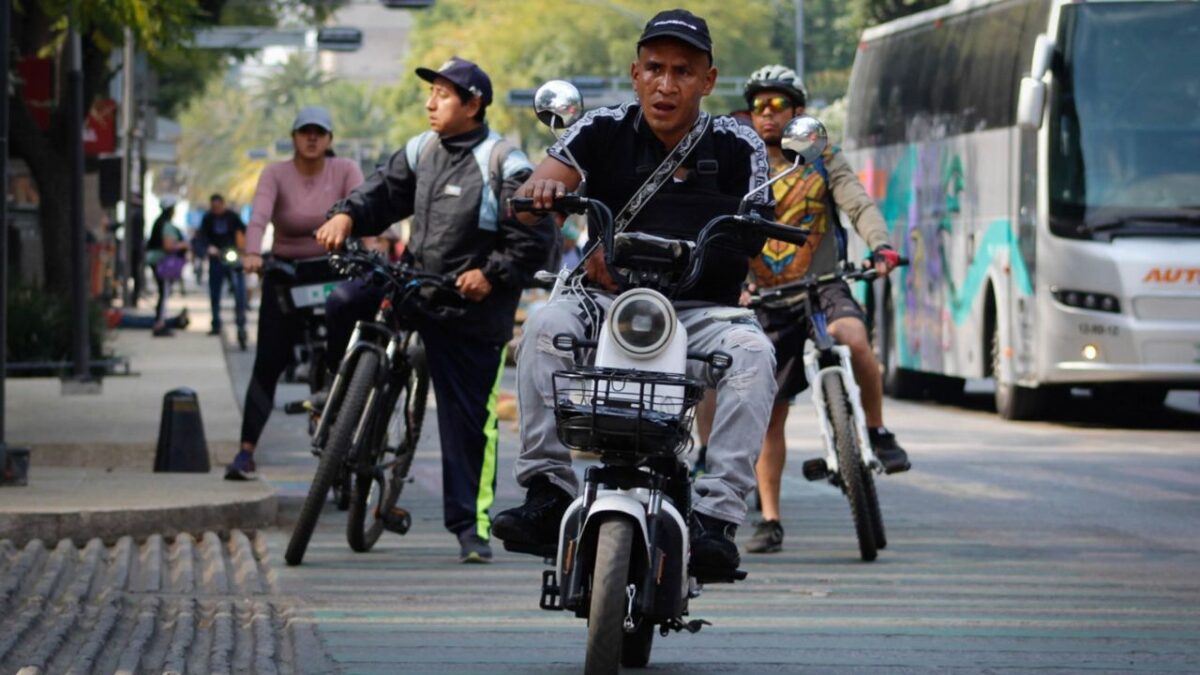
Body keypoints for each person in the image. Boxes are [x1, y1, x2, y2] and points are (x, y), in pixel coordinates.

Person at [491, 9, 776, 579]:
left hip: (702, 312)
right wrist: (542, 189)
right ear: (635, 73)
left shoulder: (740, 143)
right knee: (544, 330)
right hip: (609, 304)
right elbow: (529, 192)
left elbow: (757, 235)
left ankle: (717, 520)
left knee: (755, 355)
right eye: (655, 68)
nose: (667, 84)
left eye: (683, 71)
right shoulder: (600, 128)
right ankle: (547, 491)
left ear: (708, 80)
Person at [315, 57, 553, 563]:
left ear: (473, 104)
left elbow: (536, 234)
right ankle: (337, 399)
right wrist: (345, 215)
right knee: (342, 302)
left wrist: (491, 274)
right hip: (414, 286)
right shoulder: (421, 149)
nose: (430, 103)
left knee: (468, 422)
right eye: (432, 94)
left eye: (443, 95)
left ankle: (472, 528)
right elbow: (381, 192)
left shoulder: (504, 162)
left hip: (470, 307)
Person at [737, 64, 908, 555]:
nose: (767, 116)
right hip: (766, 297)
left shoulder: (821, 156)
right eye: (758, 106)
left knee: (854, 339)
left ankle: (876, 433)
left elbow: (857, 203)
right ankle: (769, 519)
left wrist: (881, 247)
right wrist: (732, 283)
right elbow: (724, 226)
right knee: (770, 411)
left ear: (799, 112)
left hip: (825, 285)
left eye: (778, 105)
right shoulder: (738, 162)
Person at [224, 106, 364, 481]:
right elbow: (259, 217)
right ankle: (246, 450)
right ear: (294, 138)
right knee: (268, 360)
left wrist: (374, 246)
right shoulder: (275, 173)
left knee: (354, 355)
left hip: (335, 271)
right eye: (305, 132)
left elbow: (363, 209)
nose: (313, 138)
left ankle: (352, 432)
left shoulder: (346, 169)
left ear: (330, 139)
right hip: (286, 273)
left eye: (320, 131)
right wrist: (253, 253)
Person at [198, 193, 248, 348]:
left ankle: (241, 324)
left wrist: (244, 249)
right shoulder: (207, 218)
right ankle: (215, 322)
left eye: (219, 206)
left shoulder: (232, 217)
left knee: (239, 291)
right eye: (214, 207)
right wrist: (208, 248)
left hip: (232, 256)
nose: (217, 209)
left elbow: (244, 230)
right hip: (216, 258)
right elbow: (202, 237)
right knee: (215, 292)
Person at [145, 196, 188, 337]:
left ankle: (160, 321)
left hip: (156, 260)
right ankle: (160, 324)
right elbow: (168, 246)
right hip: (161, 262)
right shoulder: (166, 225)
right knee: (164, 292)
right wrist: (183, 245)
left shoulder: (159, 222)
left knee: (163, 292)